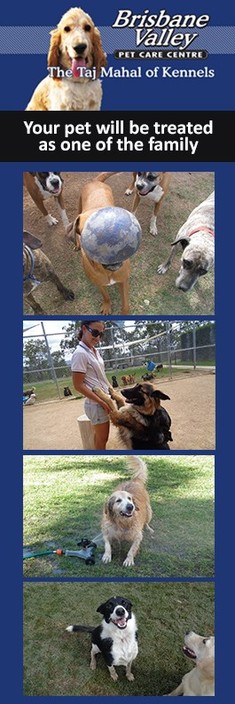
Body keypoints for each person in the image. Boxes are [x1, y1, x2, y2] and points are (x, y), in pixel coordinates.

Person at [71, 321, 112, 450]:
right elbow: (78, 385)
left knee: (100, 436)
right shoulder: (80, 354)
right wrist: (102, 402)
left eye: (101, 334)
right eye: (95, 332)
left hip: (104, 400)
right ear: (84, 328)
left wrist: (111, 392)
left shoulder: (94, 350)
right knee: (102, 439)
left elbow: (101, 377)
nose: (98, 337)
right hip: (96, 404)